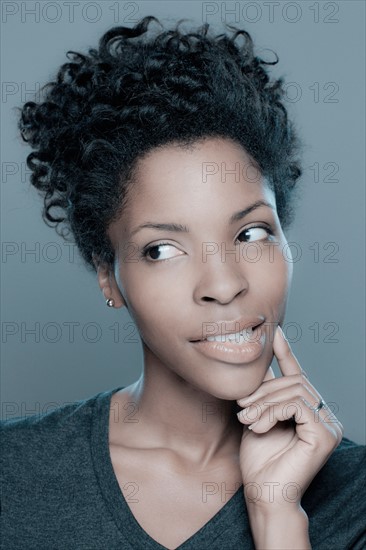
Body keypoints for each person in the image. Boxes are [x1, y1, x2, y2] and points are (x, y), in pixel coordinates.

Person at [1, 15, 365, 550]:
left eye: (251, 233)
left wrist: (277, 517)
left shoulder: (353, 498)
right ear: (110, 275)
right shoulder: (15, 477)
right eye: (163, 249)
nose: (223, 284)